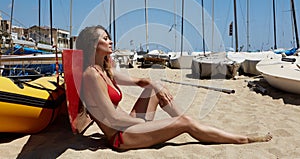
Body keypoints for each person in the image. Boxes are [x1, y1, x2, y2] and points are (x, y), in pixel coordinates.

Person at [75, 25, 272, 151]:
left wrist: (155, 85)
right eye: (105, 39)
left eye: (109, 37)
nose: (110, 41)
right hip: (121, 137)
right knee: (184, 122)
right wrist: (140, 124)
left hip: (128, 124)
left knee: (156, 88)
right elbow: (114, 118)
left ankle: (193, 125)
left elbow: (140, 81)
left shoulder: (105, 70)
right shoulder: (91, 74)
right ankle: (241, 139)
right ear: (93, 45)